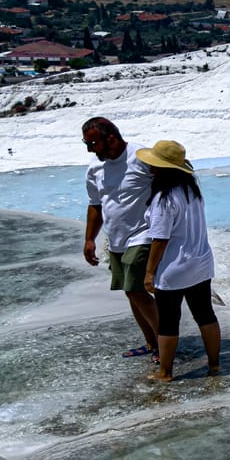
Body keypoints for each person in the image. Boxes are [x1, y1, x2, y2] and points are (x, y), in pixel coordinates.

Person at [136, 139, 222, 381]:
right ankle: (214, 365)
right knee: (205, 315)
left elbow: (160, 239)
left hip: (174, 268)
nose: (150, 169)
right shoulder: (192, 193)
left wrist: (150, 272)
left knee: (168, 322)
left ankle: (165, 372)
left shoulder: (163, 199)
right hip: (201, 263)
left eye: (154, 165)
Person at [81, 116, 160, 357]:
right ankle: (152, 343)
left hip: (143, 234)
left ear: (111, 138)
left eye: (92, 143)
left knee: (136, 288)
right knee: (130, 292)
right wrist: (89, 239)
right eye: (86, 144)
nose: (89, 149)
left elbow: (171, 187)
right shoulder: (95, 168)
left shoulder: (142, 157)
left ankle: (166, 342)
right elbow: (95, 205)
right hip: (115, 238)